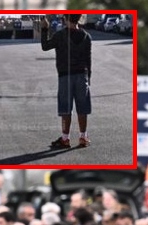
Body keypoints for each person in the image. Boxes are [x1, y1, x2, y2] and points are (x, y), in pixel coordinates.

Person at [40, 14, 93, 148]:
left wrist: (45, 28)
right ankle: (83, 137)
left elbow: (45, 46)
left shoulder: (60, 35)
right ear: (79, 18)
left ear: (65, 18)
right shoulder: (87, 36)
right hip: (82, 75)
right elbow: (89, 60)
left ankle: (65, 138)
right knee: (83, 107)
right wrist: (89, 78)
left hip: (65, 76)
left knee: (65, 108)